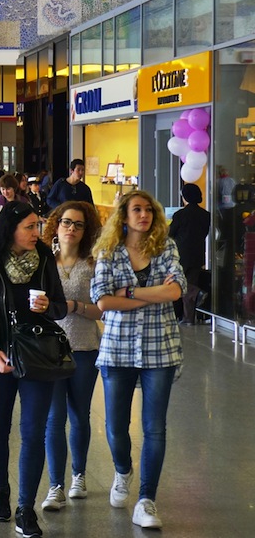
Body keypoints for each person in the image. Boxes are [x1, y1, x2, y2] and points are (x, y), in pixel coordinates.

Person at [0, 200, 67, 538]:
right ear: (10, 228)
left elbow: (59, 306)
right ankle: (1, 491)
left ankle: (26, 508)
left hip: (38, 355)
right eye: (29, 226)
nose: (36, 232)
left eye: (37, 225)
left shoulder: (45, 259)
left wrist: (49, 306)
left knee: (33, 432)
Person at [90, 190, 185, 530]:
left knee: (154, 427)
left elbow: (175, 291)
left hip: (161, 348)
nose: (143, 215)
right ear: (124, 216)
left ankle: (146, 499)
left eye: (148, 210)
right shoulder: (109, 251)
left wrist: (128, 294)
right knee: (115, 427)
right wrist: (152, 294)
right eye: (136, 209)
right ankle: (122, 469)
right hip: (117, 349)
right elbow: (101, 300)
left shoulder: (166, 248)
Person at [39, 202, 104, 513]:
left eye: (78, 224)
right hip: (49, 350)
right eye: (66, 222)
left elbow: (101, 308)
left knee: (79, 414)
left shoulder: (92, 263)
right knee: (54, 419)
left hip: (84, 347)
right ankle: (56, 486)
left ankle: (78, 475)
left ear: (85, 230)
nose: (71, 228)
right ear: (57, 224)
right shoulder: (43, 261)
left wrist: (74, 306)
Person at [168, 183, 210, 324]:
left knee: (178, 283)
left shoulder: (180, 214)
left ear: (184, 196)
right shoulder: (205, 215)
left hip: (181, 254)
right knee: (190, 282)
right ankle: (188, 318)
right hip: (198, 254)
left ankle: (196, 293)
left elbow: (170, 233)